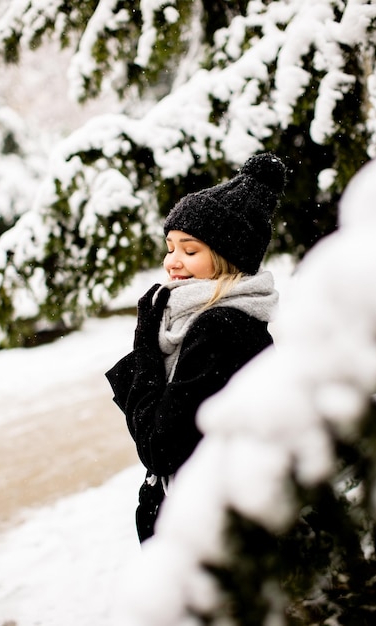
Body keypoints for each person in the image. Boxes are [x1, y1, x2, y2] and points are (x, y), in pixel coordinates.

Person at [105, 152, 287, 542]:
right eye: (170, 247)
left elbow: (160, 447)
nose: (173, 262)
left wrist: (145, 346)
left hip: (210, 532)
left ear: (226, 258)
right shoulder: (213, 320)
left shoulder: (222, 327)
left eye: (190, 251)